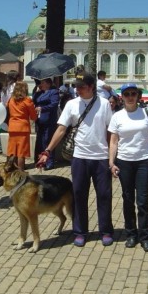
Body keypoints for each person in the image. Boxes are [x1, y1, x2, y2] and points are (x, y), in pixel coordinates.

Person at [36, 72, 114, 247]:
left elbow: (110, 131)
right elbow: (61, 129)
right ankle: (79, 231)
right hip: (79, 158)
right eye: (76, 86)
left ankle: (106, 230)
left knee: (104, 195)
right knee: (78, 195)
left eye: (82, 86)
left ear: (92, 87)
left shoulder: (104, 105)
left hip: (101, 157)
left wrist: (112, 157)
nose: (77, 89)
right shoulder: (71, 104)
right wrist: (47, 151)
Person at [108, 83, 148, 252]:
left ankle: (145, 236)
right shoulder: (117, 116)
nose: (130, 97)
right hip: (124, 161)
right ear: (122, 97)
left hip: (144, 162)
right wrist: (111, 162)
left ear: (138, 96)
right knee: (128, 199)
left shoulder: (147, 112)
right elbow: (113, 141)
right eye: (127, 94)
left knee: (143, 200)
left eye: (133, 93)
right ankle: (131, 234)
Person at [7, 82, 37, 171]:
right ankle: (20, 171)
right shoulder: (27, 100)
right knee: (21, 152)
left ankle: (10, 169)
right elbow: (33, 117)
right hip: (23, 128)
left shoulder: (11, 100)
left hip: (12, 127)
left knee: (12, 151)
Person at [33, 78, 59, 170]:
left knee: (48, 140)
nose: (41, 84)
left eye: (42, 83)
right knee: (40, 141)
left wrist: (42, 108)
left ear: (48, 84)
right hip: (39, 120)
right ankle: (40, 160)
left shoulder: (53, 92)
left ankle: (49, 162)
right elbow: (33, 101)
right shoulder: (39, 93)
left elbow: (54, 104)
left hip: (49, 120)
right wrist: (36, 90)